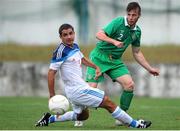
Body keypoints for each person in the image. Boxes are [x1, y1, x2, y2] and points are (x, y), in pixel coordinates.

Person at [34, 23, 152, 128]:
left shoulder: (74, 46)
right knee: (108, 103)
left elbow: (82, 59)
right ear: (60, 37)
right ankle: (136, 124)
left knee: (82, 116)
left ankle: (49, 119)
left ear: (74, 33)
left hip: (78, 88)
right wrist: (51, 95)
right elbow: (51, 73)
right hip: (77, 90)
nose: (69, 37)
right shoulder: (60, 52)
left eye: (71, 33)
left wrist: (95, 67)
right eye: (65, 35)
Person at [85, 2, 160, 126]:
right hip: (98, 57)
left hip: (115, 61)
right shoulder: (118, 22)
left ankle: (122, 118)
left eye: (134, 15)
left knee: (129, 85)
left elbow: (137, 52)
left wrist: (149, 68)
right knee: (90, 90)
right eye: (129, 14)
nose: (130, 17)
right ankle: (78, 115)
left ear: (139, 16)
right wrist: (114, 41)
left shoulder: (137, 32)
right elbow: (98, 34)